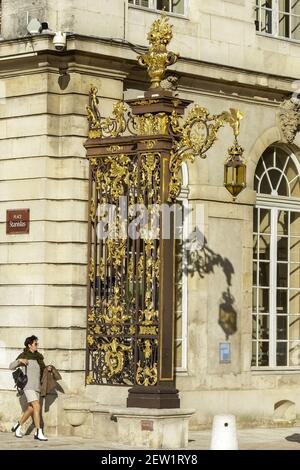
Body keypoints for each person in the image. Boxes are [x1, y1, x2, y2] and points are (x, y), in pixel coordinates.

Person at [9, 335, 52, 441]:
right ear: (29, 345)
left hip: (37, 386)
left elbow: (42, 370)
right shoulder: (24, 355)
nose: (37, 345)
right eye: (35, 343)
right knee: (37, 406)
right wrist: (20, 361)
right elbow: (11, 366)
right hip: (28, 385)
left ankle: (18, 426)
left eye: (37, 343)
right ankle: (38, 432)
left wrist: (48, 368)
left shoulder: (39, 357)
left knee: (31, 408)